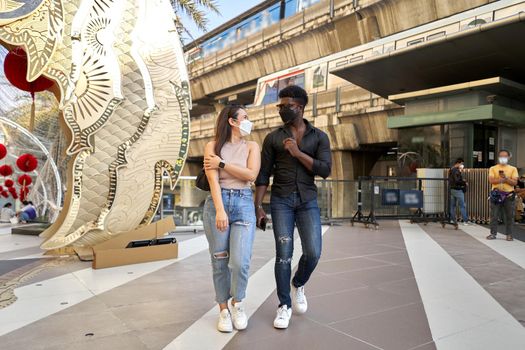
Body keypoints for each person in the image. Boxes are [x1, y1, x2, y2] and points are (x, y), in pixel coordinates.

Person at [255, 85, 332, 329]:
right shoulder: (273, 138)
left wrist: (297, 153)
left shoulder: (319, 137)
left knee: (313, 252)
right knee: (284, 256)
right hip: (281, 202)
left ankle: (298, 284)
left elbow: (325, 170)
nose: (282, 110)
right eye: (280, 106)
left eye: (286, 106)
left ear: (300, 107)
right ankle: (284, 305)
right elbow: (263, 175)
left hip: (307, 200)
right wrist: (258, 206)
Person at [202, 105, 261, 333]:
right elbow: (213, 181)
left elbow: (251, 175)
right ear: (232, 121)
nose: (248, 121)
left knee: (240, 261)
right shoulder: (212, 146)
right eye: (245, 117)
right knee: (219, 260)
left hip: (244, 202)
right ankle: (224, 310)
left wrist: (223, 164)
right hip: (218, 203)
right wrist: (219, 210)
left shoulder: (252, 146)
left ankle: (238, 303)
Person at [487, 150, 518, 241]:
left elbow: (514, 182)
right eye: (501, 156)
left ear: (509, 157)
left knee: (509, 216)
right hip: (496, 194)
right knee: (494, 215)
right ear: (498, 157)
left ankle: (509, 235)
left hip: (509, 195)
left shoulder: (513, 169)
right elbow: (491, 181)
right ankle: (493, 234)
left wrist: (505, 178)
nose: (503, 158)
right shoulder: (493, 168)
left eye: (505, 156)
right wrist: (504, 180)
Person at [448, 158, 469, 225]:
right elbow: (457, 181)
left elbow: (453, 179)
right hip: (458, 189)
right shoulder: (456, 170)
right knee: (462, 205)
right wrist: (464, 182)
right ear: (458, 163)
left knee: (452, 205)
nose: (462, 165)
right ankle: (465, 221)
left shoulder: (451, 169)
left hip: (452, 189)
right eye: (462, 164)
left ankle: (452, 219)